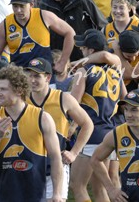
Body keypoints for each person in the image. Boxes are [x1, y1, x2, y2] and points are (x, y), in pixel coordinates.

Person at [25, 57, 94, 201]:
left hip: (56, 167)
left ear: (48, 78)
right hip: (28, 168)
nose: (32, 80)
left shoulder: (63, 98)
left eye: (37, 76)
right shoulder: (22, 99)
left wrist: (74, 152)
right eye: (29, 75)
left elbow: (88, 124)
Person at [69, 30, 126, 202]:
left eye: (84, 48)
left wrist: (70, 127)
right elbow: (125, 98)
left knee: (77, 185)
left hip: (91, 134)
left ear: (91, 50)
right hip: (111, 131)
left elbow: (73, 105)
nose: (81, 51)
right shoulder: (116, 72)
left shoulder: (83, 71)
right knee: (101, 186)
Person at [0, 64, 63, 201]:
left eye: (3, 89)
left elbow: (56, 158)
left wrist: (57, 193)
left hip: (34, 195)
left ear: (19, 90)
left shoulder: (42, 118)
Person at [0, 0, 75, 74]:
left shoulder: (44, 16)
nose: (18, 10)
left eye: (22, 6)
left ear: (31, 5)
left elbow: (70, 33)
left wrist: (62, 62)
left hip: (44, 75)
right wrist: (3, 71)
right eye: (15, 6)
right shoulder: (5, 24)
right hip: (20, 77)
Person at [41, 0, 107, 61]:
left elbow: (102, 25)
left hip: (82, 54)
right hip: (56, 55)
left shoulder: (82, 0)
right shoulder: (45, 4)